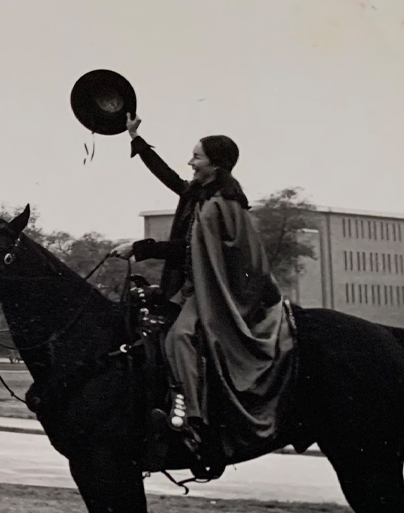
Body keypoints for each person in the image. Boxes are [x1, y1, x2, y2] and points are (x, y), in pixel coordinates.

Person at [111, 113, 294, 478]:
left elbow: (189, 252)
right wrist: (136, 140)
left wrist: (140, 247)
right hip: (197, 288)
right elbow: (170, 179)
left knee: (180, 337)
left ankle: (192, 421)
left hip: (219, 295)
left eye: (197, 157)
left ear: (215, 164)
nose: (190, 162)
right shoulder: (201, 193)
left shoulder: (220, 206)